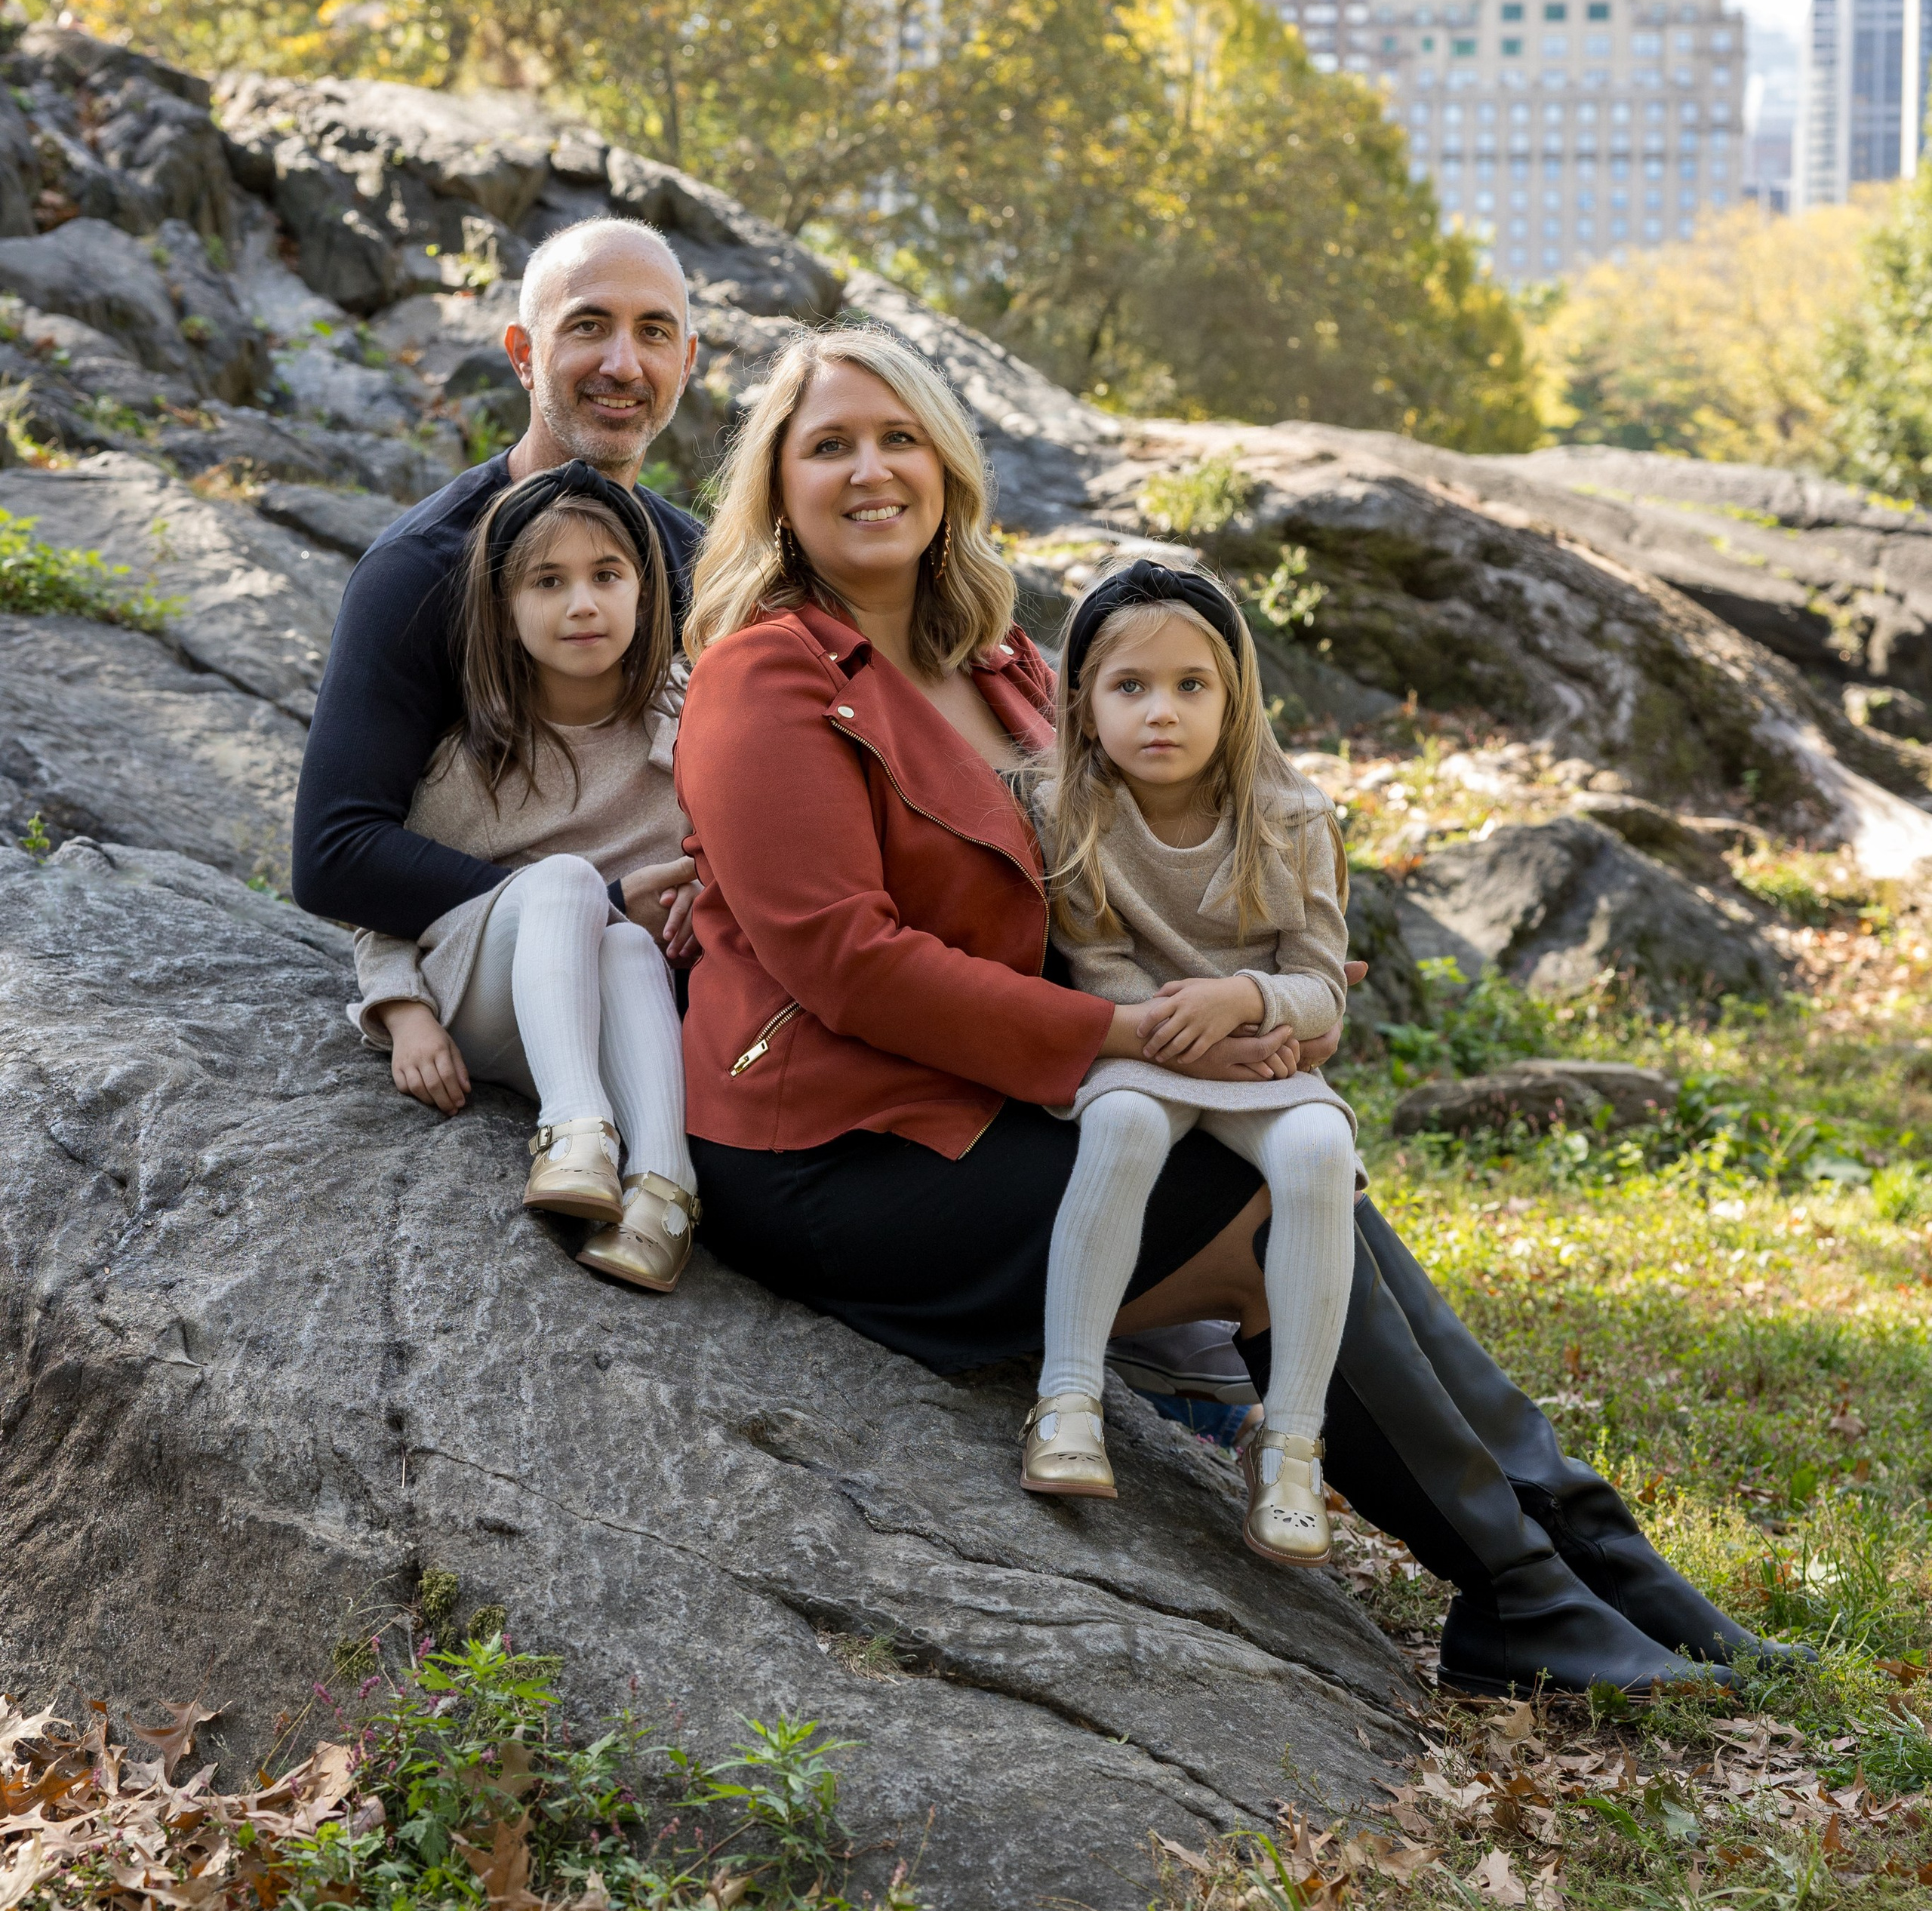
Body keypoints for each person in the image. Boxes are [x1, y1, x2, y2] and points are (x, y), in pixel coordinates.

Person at [672, 318, 1790, 1697]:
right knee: (1264, 1217)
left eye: (898, 437)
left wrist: (1267, 989)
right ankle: (1524, 1592)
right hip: (839, 1147)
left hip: (1025, 1083)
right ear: (775, 485)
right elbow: (845, 959)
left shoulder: (1012, 666)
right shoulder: (765, 675)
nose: (869, 470)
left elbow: (1156, 850)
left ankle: (1585, 1556)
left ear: (950, 467)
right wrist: (1131, 1034)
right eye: (828, 445)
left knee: (1314, 1180)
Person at [1020, 561, 1359, 1570]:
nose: (1160, 712)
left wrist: (1246, 1002)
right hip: (1148, 1051)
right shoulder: (1069, 811)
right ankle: (1067, 1398)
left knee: (1317, 1156)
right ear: (1083, 699)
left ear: (1234, 697)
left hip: (1268, 1062)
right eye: (1131, 687)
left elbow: (1320, 983)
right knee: (1120, 1127)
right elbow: (1100, 961)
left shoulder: (1291, 818)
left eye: (1189, 686)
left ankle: (1290, 1444)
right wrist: (1198, 1028)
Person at [292, 218, 703, 942]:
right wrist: (594, 912)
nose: (624, 363)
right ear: (523, 354)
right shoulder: (418, 571)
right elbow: (335, 855)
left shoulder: (699, 564)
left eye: (655, 332)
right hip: (491, 996)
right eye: (588, 326)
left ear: (688, 360)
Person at [349, 460, 697, 1291]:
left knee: (627, 951)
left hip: (613, 1009)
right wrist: (404, 1014)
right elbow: (376, 901)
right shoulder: (474, 762)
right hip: (488, 997)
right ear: (507, 614)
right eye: (549, 581)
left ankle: (664, 1189)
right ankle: (576, 1131)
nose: (582, 603)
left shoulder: (686, 727)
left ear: (644, 594)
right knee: (567, 883)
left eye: (606, 575)